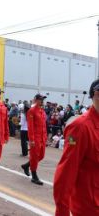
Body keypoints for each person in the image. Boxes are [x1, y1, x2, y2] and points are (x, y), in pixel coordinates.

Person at [53, 79, 99, 216]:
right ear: (96, 94)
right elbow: (65, 174)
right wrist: (62, 211)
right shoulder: (81, 127)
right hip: (89, 207)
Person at [21, 94, 47, 185]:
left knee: (41, 156)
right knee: (35, 156)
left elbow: (44, 126)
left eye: (43, 99)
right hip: (35, 138)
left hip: (42, 137)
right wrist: (31, 139)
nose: (42, 101)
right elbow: (30, 127)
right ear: (35, 100)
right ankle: (34, 176)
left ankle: (26, 165)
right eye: (40, 99)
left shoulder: (42, 111)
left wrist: (45, 137)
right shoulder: (31, 111)